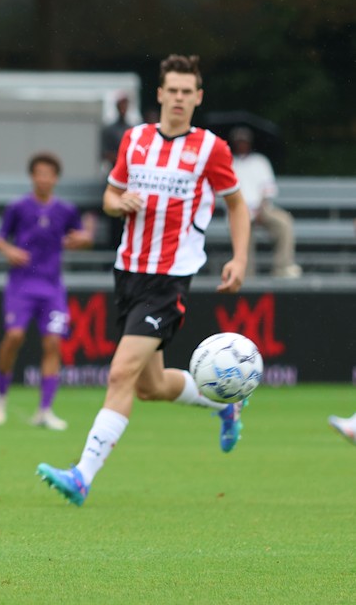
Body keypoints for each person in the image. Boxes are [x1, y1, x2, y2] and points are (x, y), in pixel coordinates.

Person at [36, 54, 252, 506]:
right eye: (170, 90)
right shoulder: (134, 140)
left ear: (198, 98)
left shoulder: (211, 149)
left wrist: (240, 257)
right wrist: (119, 204)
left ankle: (82, 476)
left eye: (185, 91)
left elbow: (235, 204)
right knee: (150, 386)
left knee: (120, 374)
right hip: (128, 271)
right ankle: (223, 404)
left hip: (169, 280)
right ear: (159, 94)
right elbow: (111, 195)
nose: (177, 98)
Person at [0, 152, 95, 430]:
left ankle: (45, 410)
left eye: (49, 173)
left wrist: (82, 240)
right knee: (14, 336)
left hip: (51, 287)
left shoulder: (66, 210)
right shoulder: (18, 207)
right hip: (21, 285)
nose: (44, 178)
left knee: (53, 343)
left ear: (55, 178)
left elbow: (81, 238)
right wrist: (10, 250)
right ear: (32, 176)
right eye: (39, 173)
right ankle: (0, 393)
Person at [229, 126, 302, 278]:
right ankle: (245, 273)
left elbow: (268, 190)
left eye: (244, 141)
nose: (241, 144)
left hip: (262, 209)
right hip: (238, 212)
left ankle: (282, 267)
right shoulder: (229, 163)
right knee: (243, 232)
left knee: (284, 222)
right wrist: (244, 212)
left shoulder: (260, 161)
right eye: (238, 141)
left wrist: (260, 210)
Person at [100, 93, 134, 170]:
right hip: (113, 169)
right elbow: (104, 153)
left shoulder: (132, 129)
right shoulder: (109, 130)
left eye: (125, 104)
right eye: (121, 104)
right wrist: (121, 158)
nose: (123, 107)